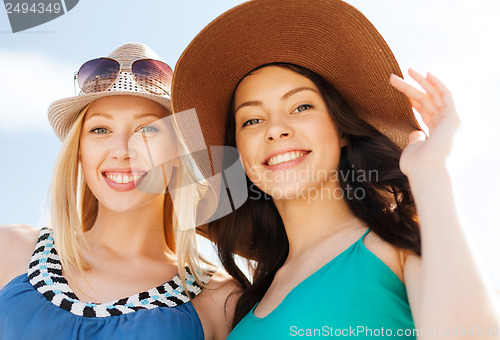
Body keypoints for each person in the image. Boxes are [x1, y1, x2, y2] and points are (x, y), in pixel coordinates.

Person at [171, 0, 500, 338]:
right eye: (252, 119)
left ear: (341, 129)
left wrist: (430, 171)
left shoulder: (397, 245)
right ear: (238, 151)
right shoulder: (241, 308)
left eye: (301, 106)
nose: (275, 129)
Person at [0, 42, 237, 339]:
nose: (122, 150)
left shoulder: (221, 301)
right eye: (101, 130)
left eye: (148, 130)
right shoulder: (9, 249)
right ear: (79, 151)